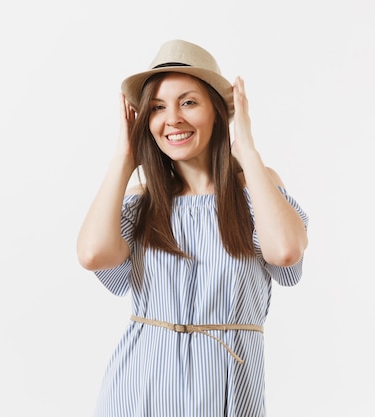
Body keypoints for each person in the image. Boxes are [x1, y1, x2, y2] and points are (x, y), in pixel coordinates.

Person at [77, 39, 309, 417]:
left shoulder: (254, 187)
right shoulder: (144, 201)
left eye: (188, 102)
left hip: (226, 389)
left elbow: (285, 251)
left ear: (218, 112)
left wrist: (247, 150)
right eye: (157, 108)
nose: (172, 119)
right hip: (139, 388)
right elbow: (92, 254)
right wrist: (123, 158)